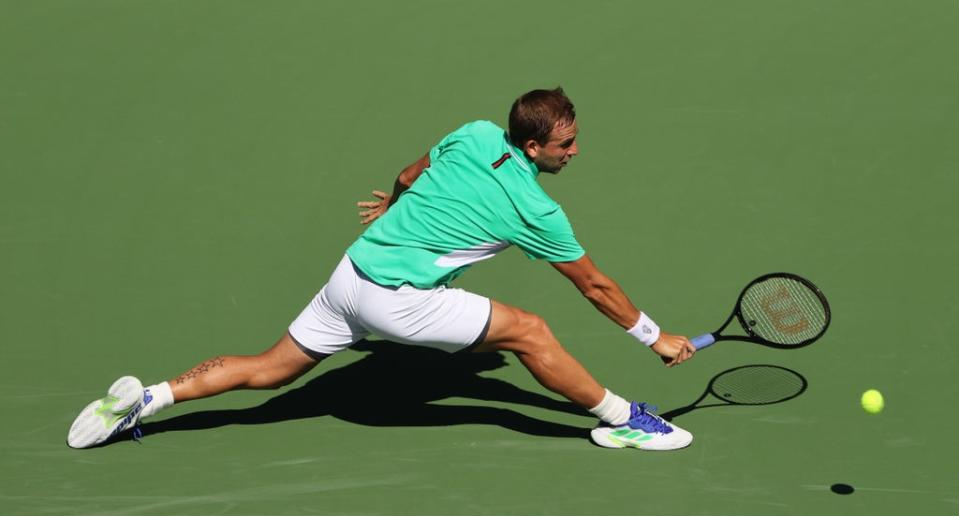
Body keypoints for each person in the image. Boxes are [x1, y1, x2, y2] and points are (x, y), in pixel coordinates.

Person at [67, 87, 697, 452]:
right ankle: (624, 421)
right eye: (566, 144)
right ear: (534, 147)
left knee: (268, 368)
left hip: (350, 275)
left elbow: (408, 172)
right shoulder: (537, 210)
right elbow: (594, 284)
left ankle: (143, 400)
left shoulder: (476, 133)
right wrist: (655, 337)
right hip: (395, 300)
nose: (575, 151)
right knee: (529, 330)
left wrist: (395, 207)